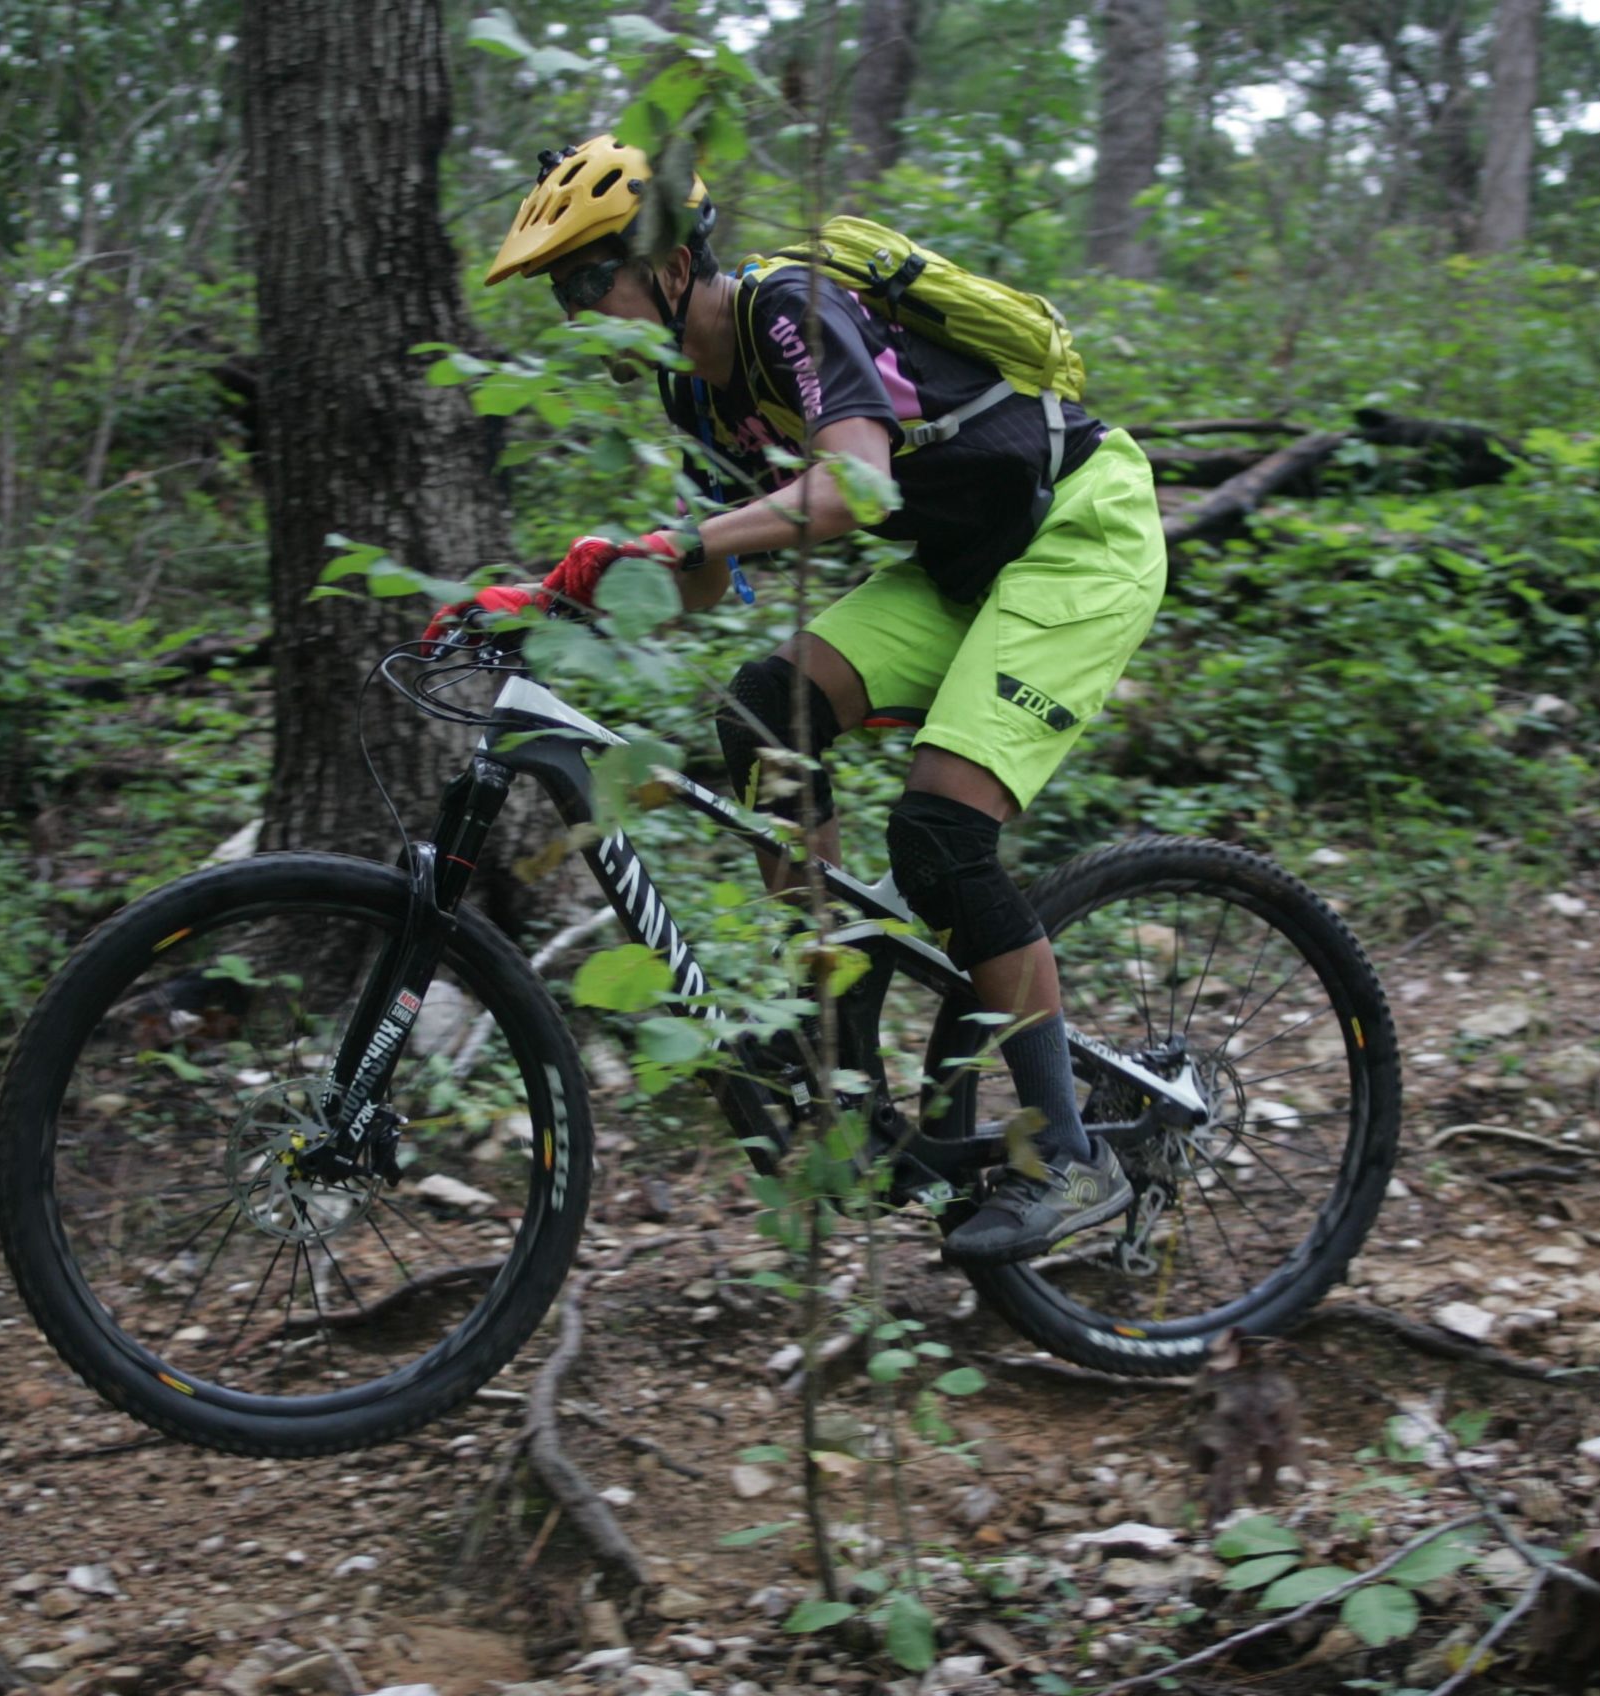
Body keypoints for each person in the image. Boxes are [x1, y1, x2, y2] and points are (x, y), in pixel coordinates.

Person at [437, 135, 1167, 1264]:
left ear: (672, 263)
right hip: (961, 563)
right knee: (764, 710)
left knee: (938, 834)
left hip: (1077, 531)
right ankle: (842, 1018)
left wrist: (669, 535)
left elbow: (856, 479)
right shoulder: (695, 391)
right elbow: (701, 574)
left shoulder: (787, 304)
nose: (578, 310)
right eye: (561, 291)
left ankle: (1070, 1156)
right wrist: (550, 594)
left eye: (589, 278)